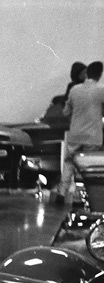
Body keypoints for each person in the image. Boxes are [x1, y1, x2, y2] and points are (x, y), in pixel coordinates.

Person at [58, 61, 104, 202]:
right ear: (100, 75)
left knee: (69, 163)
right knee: (89, 168)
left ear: (87, 73)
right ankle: (86, 196)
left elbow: (66, 112)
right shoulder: (101, 90)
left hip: (76, 134)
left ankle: (61, 193)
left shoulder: (74, 90)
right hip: (93, 136)